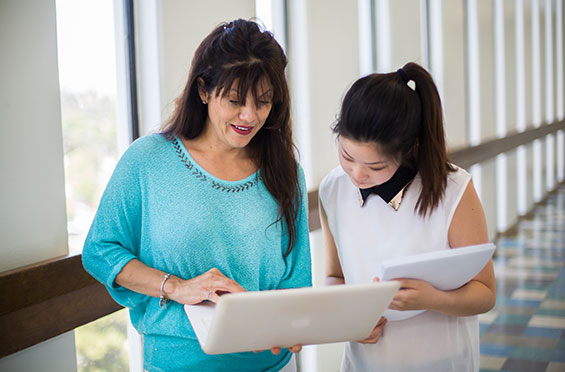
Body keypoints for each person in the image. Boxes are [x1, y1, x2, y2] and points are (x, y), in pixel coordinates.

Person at [82, 19, 311, 371]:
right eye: (235, 100)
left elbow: (296, 281)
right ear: (203, 90)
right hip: (177, 363)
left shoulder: (284, 170)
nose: (249, 116)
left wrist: (292, 325)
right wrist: (175, 287)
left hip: (272, 364)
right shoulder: (148, 161)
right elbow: (100, 251)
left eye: (263, 102)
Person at [318, 62, 496, 371]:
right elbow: (336, 276)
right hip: (365, 362)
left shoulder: (452, 190)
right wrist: (349, 321)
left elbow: (486, 293)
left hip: (442, 361)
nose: (357, 174)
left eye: (375, 166)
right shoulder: (332, 188)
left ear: (408, 149)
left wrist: (431, 299)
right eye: (347, 156)